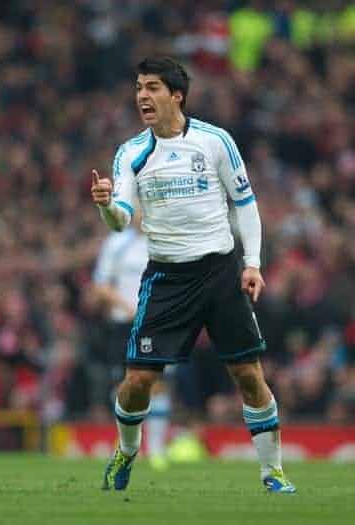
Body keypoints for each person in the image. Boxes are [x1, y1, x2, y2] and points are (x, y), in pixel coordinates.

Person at [91, 58, 295, 493]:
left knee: (248, 375)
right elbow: (121, 220)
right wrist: (107, 204)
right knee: (137, 382)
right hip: (166, 278)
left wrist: (253, 263)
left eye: (152, 87)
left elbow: (245, 203)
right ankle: (126, 451)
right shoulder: (131, 152)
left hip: (219, 272)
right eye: (138, 87)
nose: (142, 95)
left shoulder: (215, 141)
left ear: (176, 94)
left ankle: (273, 472)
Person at [92, 219, 172, 470]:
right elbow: (101, 286)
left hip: (155, 323)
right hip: (123, 323)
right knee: (123, 385)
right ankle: (126, 446)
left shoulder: (163, 242)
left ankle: (157, 450)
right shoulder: (116, 243)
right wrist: (127, 306)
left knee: (157, 384)